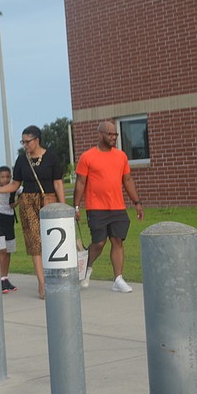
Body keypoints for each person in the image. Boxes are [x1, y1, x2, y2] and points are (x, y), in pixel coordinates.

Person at [73, 121, 144, 292]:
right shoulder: (87, 157)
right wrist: (75, 207)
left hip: (118, 207)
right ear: (100, 134)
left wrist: (137, 202)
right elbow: (81, 183)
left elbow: (127, 180)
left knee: (117, 241)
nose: (113, 137)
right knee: (99, 242)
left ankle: (118, 279)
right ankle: (86, 269)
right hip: (96, 207)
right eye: (110, 134)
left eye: (115, 134)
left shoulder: (121, 156)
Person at [0, 125, 66, 300]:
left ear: (37, 140)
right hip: (28, 203)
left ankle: (55, 276)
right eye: (23, 142)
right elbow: (15, 184)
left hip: (49, 201)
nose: (25, 145)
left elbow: (58, 183)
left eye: (27, 142)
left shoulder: (51, 158)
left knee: (52, 240)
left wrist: (64, 207)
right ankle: (42, 282)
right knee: (35, 242)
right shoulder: (22, 160)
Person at [0, 166, 18, 293]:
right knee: (2, 250)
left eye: (8, 176)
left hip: (9, 219)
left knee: (8, 250)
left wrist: (18, 201)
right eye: (2, 177)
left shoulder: (15, 188)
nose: (5, 179)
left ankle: (5, 278)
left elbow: (13, 203)